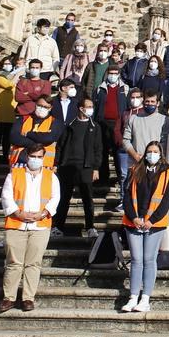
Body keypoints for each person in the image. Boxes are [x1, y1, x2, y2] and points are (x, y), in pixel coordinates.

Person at [0, 141, 60, 313]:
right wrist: (18, 213)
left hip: (40, 224)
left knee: (34, 263)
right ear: (27, 157)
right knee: (13, 263)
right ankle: (8, 297)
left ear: (44, 158)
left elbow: (55, 198)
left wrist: (44, 213)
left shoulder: (50, 176)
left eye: (39, 157)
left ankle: (28, 298)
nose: (36, 159)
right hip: (16, 223)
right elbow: (6, 197)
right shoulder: (14, 174)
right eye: (33, 156)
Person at [120, 141, 169, 313]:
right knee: (136, 260)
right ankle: (133, 296)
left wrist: (152, 220)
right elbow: (127, 197)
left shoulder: (168, 174)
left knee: (149, 259)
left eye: (155, 151)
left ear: (160, 154)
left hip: (155, 223)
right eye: (149, 151)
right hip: (134, 221)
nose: (152, 154)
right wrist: (134, 217)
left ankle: (145, 298)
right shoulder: (135, 170)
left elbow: (166, 201)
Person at [53, 96, 103, 237]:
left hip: (86, 167)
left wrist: (96, 168)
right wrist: (56, 163)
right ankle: (58, 227)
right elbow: (60, 146)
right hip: (68, 166)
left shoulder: (95, 127)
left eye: (91, 106)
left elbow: (98, 149)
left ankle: (90, 227)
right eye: (88, 106)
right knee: (64, 199)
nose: (90, 109)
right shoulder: (69, 125)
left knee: (88, 199)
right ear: (81, 108)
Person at [120, 91, 169, 211]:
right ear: (143, 102)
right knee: (132, 196)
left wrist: (155, 157)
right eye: (147, 101)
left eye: (152, 101)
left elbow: (165, 142)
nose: (150, 104)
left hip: (156, 166)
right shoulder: (133, 119)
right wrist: (136, 155)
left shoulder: (165, 120)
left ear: (158, 103)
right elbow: (126, 140)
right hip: (136, 164)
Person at [94, 65, 130, 185]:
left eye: (115, 73)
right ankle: (103, 178)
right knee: (102, 151)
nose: (113, 75)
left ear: (119, 74)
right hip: (102, 123)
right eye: (111, 73)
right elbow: (95, 106)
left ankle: (121, 177)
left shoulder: (125, 89)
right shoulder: (100, 88)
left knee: (118, 151)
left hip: (118, 123)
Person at [11, 95, 64, 168]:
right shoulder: (22, 119)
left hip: (44, 164)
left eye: (46, 107)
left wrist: (28, 134)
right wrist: (38, 142)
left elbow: (49, 138)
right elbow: (14, 138)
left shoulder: (55, 122)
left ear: (50, 108)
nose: (42, 108)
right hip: (20, 162)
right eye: (40, 105)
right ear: (35, 104)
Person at [0, 56, 19, 161]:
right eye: (5, 64)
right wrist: (17, 76)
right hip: (2, 107)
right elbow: (8, 85)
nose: (7, 66)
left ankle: (5, 156)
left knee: (8, 134)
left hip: (12, 106)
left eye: (9, 64)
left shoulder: (13, 75)